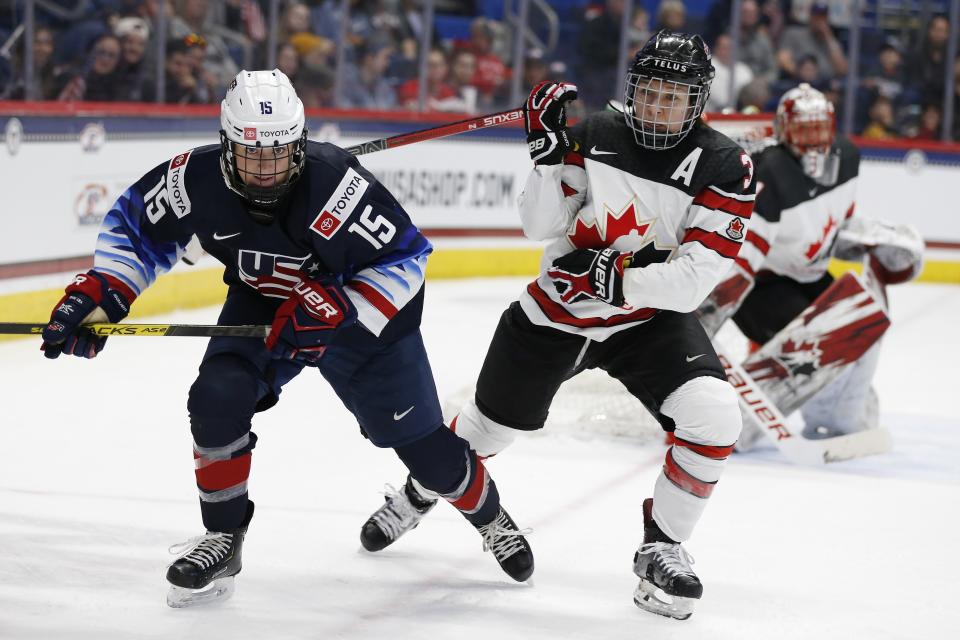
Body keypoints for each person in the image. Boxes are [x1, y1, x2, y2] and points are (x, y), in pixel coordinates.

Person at [39, 69, 533, 608]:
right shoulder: (193, 178)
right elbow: (137, 229)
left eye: (277, 153)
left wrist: (341, 306)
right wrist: (103, 291)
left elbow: (406, 258)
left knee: (429, 456)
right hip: (266, 304)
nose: (265, 170)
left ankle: (492, 519)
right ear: (226, 145)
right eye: (250, 155)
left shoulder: (336, 184)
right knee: (216, 397)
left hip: (364, 325)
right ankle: (224, 538)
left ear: (297, 144)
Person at [359, 31, 756, 621]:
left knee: (716, 416)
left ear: (698, 102)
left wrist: (612, 281)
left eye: (673, 97)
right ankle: (420, 490)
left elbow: (693, 282)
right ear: (632, 89)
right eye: (649, 92)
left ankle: (664, 548)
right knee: (485, 433)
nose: (656, 107)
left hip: (648, 323)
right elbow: (539, 226)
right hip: (555, 314)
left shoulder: (725, 165)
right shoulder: (594, 134)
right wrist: (546, 158)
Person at [698, 83, 923, 446]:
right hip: (762, 287)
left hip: (807, 274)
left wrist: (868, 237)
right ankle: (726, 424)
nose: (812, 141)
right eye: (803, 131)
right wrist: (708, 313)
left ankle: (838, 419)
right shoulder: (771, 171)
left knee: (862, 322)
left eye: (819, 129)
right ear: (784, 131)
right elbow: (744, 257)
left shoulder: (847, 156)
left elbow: (837, 221)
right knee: (819, 342)